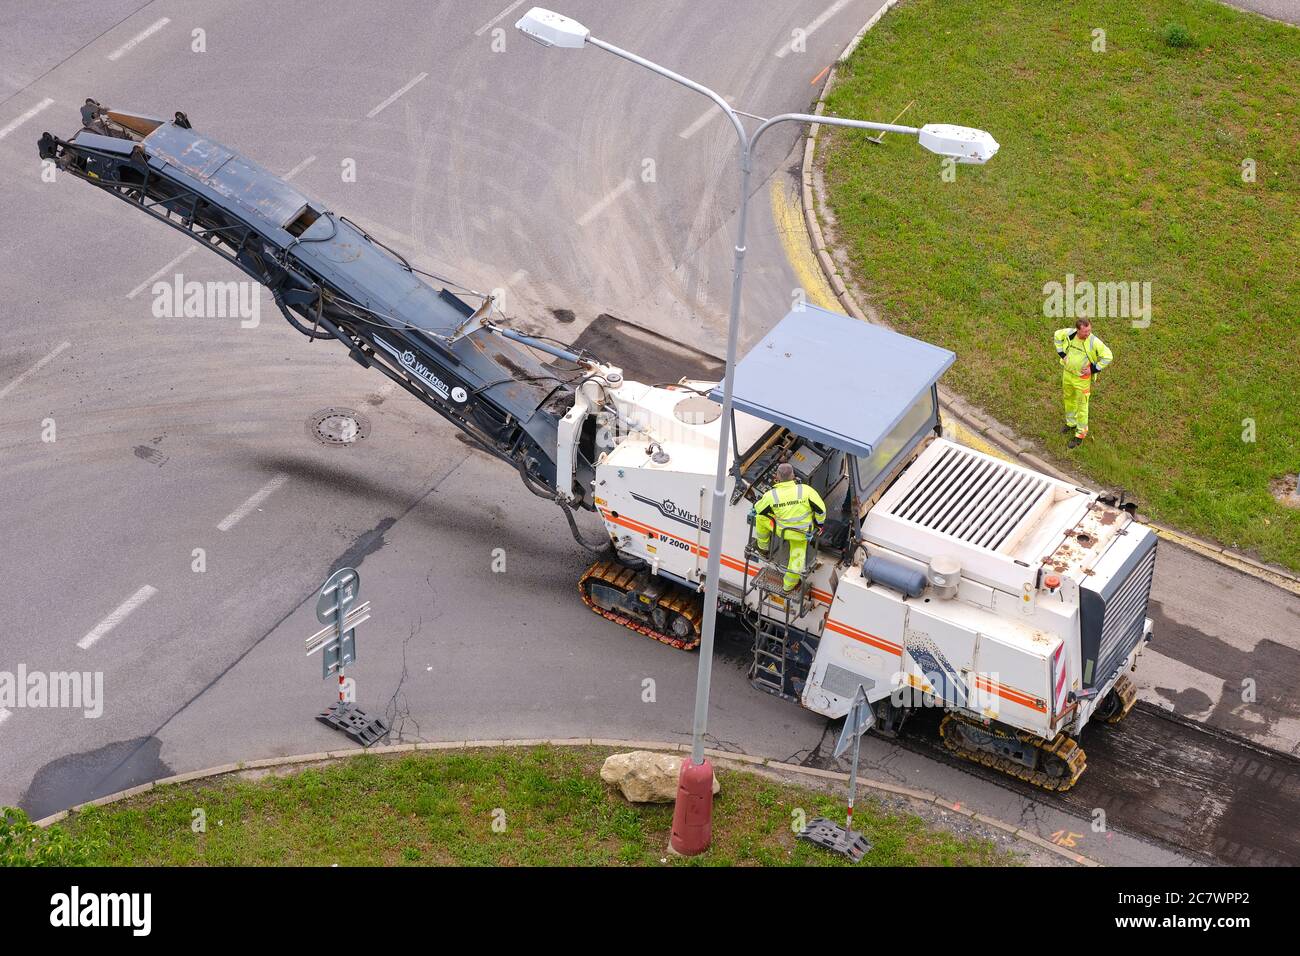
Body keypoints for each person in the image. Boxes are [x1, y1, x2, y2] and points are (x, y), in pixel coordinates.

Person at [753, 462, 826, 592]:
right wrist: (819, 525)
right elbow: (821, 511)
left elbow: (759, 509)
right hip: (802, 533)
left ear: (777, 477)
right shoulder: (806, 490)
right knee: (797, 557)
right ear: (793, 476)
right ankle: (788, 586)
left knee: (760, 518)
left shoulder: (771, 495)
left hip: (782, 530)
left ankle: (763, 548)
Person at [1053, 318, 1113, 448]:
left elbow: (1108, 356)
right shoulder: (1070, 333)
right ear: (1078, 330)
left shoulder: (1093, 341)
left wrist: (1093, 369)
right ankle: (1071, 423)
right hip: (1068, 374)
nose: (1088, 333)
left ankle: (1080, 434)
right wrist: (1062, 354)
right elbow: (1057, 335)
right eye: (1085, 331)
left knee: (1082, 406)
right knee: (1068, 399)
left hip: (1082, 380)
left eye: (1089, 330)